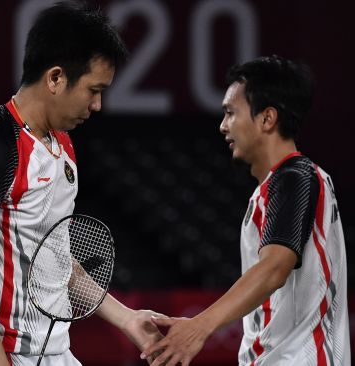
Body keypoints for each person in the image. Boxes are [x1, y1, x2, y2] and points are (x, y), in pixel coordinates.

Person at [0, 1, 163, 365]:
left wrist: (127, 318)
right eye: (94, 90)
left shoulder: (64, 147)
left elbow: (54, 258)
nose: (98, 105)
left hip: (51, 352)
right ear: (56, 78)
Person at [142, 55, 350, 366]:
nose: (223, 125)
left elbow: (275, 268)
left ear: (267, 119)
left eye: (230, 113)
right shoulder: (278, 185)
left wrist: (199, 326)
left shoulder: (296, 178)